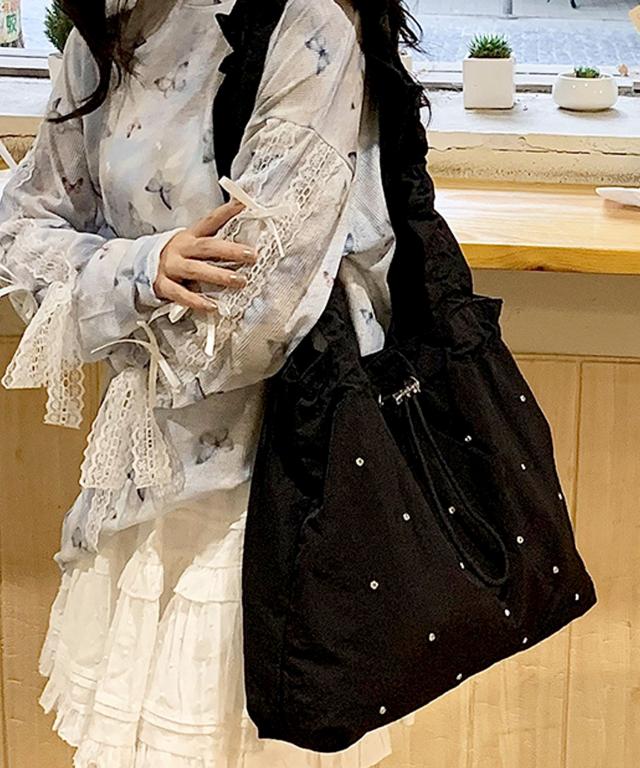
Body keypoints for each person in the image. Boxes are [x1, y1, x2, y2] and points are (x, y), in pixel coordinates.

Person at [0, 0, 421, 764]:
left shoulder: (307, 25)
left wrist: (106, 286)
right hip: (136, 495)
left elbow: (251, 320)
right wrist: (142, 267)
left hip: (271, 497)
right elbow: (17, 229)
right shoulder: (111, 31)